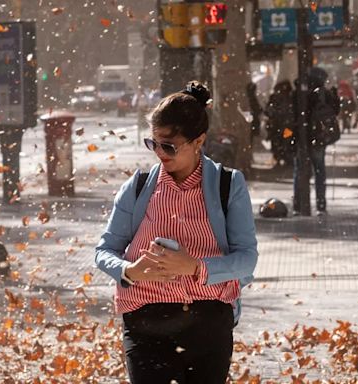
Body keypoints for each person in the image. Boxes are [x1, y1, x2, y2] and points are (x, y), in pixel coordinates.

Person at [95, 81, 258, 384]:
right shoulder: (139, 186)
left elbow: (247, 259)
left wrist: (196, 267)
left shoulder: (228, 185)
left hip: (208, 322)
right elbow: (104, 251)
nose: (159, 153)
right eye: (153, 143)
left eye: (169, 145)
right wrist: (130, 271)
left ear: (199, 141)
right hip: (146, 324)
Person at [293, 68, 340, 216]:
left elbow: (293, 114)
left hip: (302, 138)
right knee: (319, 171)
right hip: (318, 138)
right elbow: (334, 112)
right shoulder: (324, 94)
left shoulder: (299, 93)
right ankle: (321, 205)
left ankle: (298, 206)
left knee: (300, 172)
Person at [264, 80, 296, 166]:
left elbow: (268, 111)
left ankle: (280, 159)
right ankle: (284, 159)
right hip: (286, 126)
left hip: (279, 126)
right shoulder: (291, 97)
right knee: (286, 143)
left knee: (279, 143)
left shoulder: (275, 98)